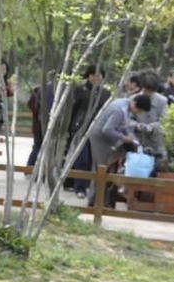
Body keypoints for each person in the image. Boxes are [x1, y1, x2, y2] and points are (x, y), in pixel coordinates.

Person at [86, 92, 152, 207]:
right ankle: (94, 202)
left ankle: (102, 201)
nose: (139, 114)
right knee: (100, 169)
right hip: (100, 139)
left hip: (108, 139)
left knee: (106, 169)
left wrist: (132, 138)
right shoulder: (119, 110)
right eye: (139, 111)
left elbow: (124, 127)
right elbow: (107, 129)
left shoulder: (125, 106)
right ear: (135, 104)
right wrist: (123, 138)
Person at [65, 66, 109, 194]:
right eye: (94, 75)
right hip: (81, 129)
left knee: (93, 160)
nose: (97, 78)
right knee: (82, 158)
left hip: (98, 131)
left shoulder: (106, 93)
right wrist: (70, 128)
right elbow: (73, 110)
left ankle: (88, 186)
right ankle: (80, 187)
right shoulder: (79, 90)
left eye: (100, 75)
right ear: (89, 76)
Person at [26, 74, 54, 169]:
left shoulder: (41, 89)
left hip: (39, 123)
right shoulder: (42, 89)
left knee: (38, 146)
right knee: (38, 146)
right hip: (40, 124)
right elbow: (32, 105)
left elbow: (31, 105)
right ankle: (30, 167)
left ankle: (31, 167)